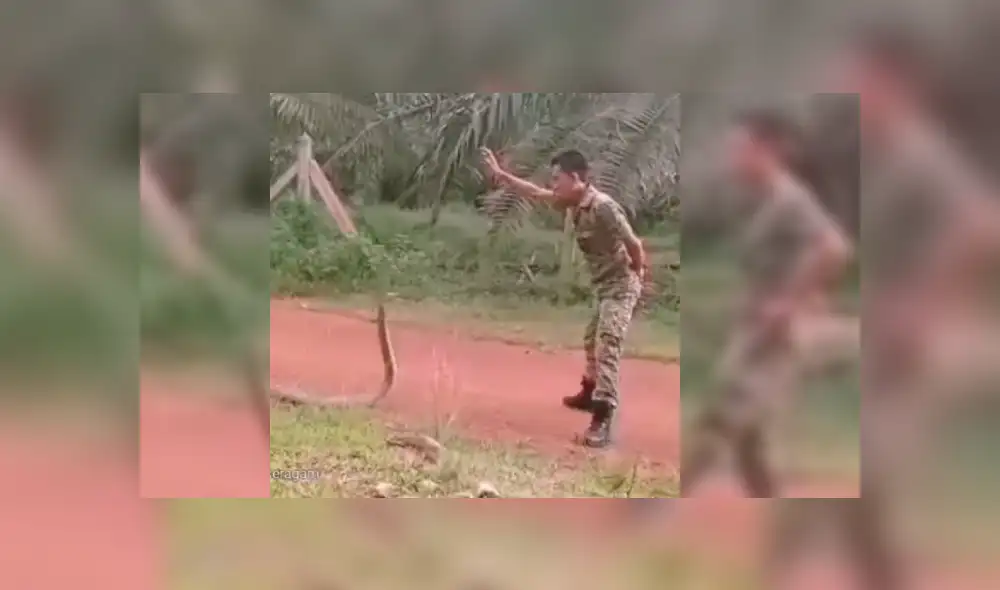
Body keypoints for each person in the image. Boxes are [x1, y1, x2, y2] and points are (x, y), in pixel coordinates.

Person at [681, 108, 854, 498]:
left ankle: (656, 510)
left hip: (775, 338)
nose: (733, 157)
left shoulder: (791, 199)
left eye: (742, 149)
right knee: (750, 440)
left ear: (770, 150)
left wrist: (789, 303)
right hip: (756, 328)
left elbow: (834, 248)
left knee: (722, 418)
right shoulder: (765, 200)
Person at [480, 148, 646, 448]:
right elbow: (534, 192)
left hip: (622, 286)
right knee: (590, 339)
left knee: (608, 342)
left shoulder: (603, 207)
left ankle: (602, 417)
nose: (553, 185)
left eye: (558, 179)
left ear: (576, 178)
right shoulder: (571, 203)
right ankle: (588, 391)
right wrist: (502, 176)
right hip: (604, 286)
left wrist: (637, 276)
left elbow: (634, 244)